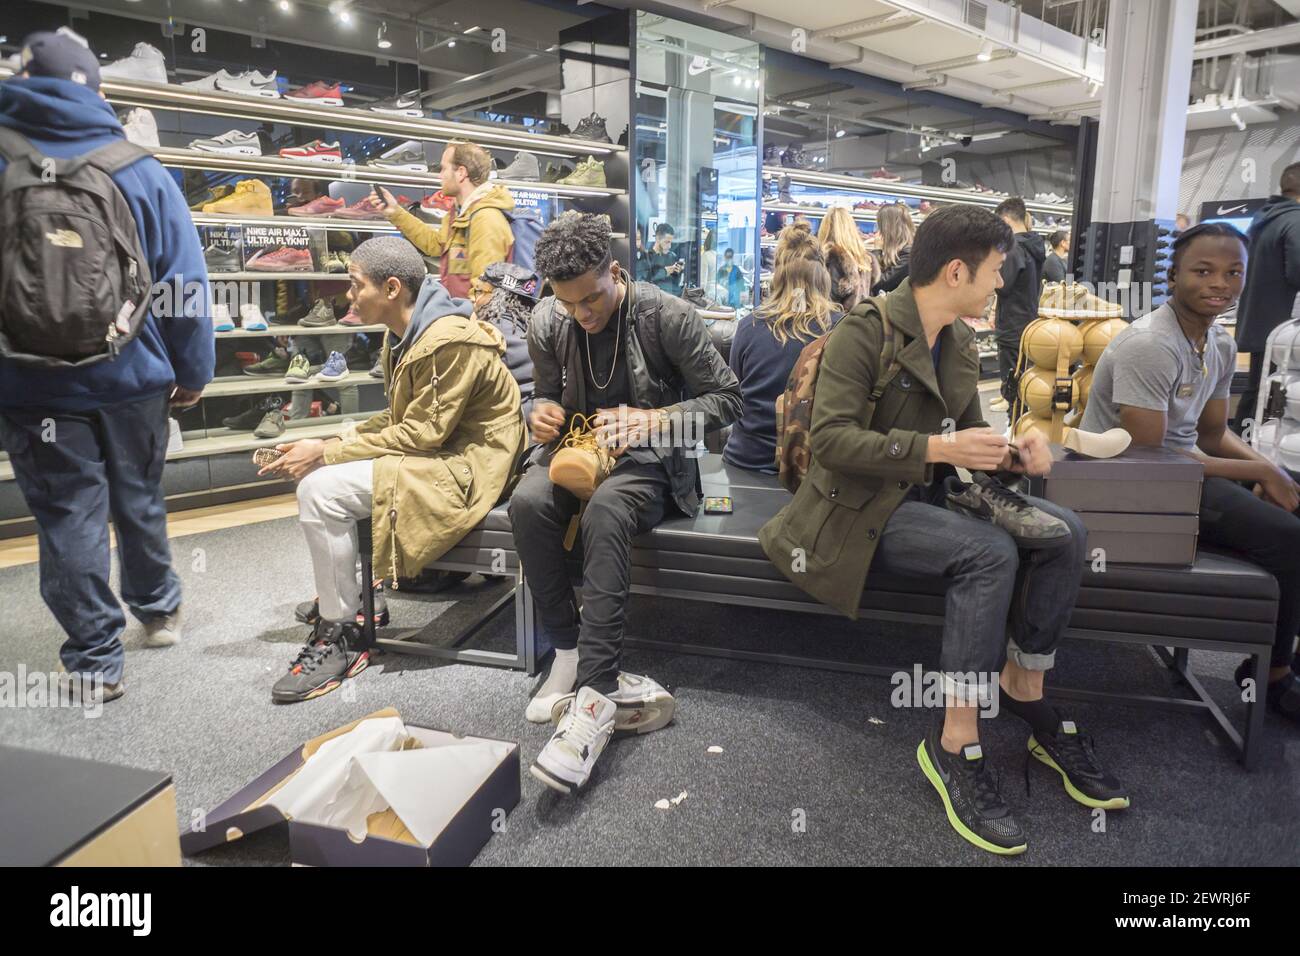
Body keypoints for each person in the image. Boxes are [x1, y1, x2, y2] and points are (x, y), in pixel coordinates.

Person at [760, 204, 1126, 856]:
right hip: (855, 510)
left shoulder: (958, 340)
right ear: (956, 270)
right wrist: (940, 451)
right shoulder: (864, 333)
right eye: (994, 272)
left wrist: (1011, 451)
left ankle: (1024, 689)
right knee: (987, 553)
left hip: (928, 498)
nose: (1000, 285)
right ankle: (956, 740)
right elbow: (834, 443)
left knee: (1066, 532)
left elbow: (960, 437)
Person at [0, 30, 214, 703]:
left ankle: (94, 659)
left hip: (30, 384)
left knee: (68, 514)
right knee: (139, 495)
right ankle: (156, 611)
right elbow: (184, 282)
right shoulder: (138, 168)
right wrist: (194, 368)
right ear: (96, 90)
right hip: (134, 378)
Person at [509, 212, 742, 793]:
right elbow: (541, 394)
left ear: (616, 271)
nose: (583, 315)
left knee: (610, 509)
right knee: (527, 502)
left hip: (656, 460)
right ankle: (566, 647)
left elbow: (729, 400)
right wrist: (534, 413)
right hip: (575, 451)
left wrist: (654, 420)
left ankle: (595, 694)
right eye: (570, 305)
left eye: (593, 298)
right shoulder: (547, 321)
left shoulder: (669, 317)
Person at [261, 236, 525, 703]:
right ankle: (354, 604)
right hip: (443, 453)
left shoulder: (446, 339)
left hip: (470, 467)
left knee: (321, 492)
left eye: (354, 285)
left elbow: (422, 433)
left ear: (392, 288)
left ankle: (342, 630)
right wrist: (337, 441)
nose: (348, 296)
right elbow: (401, 418)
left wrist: (326, 451)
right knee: (324, 484)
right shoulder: (404, 334)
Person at [1081, 222, 1300, 724]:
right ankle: (1271, 675)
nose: (1219, 283)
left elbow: (1212, 435)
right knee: (1288, 537)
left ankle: (1283, 644)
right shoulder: (1151, 345)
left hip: (1183, 472)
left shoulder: (1219, 344)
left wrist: (1267, 468)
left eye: (1233, 272)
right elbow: (1147, 456)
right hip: (1129, 485)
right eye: (1203, 270)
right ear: (1174, 273)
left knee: (1290, 501)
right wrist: (1262, 475)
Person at [724, 226, 841, 474]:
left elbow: (734, 393)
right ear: (823, 276)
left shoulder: (749, 326)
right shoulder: (841, 328)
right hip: (809, 467)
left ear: (778, 275)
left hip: (747, 459)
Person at [370, 140, 515, 299]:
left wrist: (461, 321)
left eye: (444, 168)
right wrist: (395, 212)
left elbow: (486, 293)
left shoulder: (486, 219)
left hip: (469, 320)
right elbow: (435, 244)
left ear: (461, 173)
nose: (440, 175)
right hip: (458, 315)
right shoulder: (459, 213)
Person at [1231, 163, 1300, 433]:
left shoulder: (1264, 218)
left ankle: (1239, 458)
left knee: (1258, 394)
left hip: (1263, 326)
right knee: (1273, 397)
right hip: (1287, 332)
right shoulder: (1295, 220)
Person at [990, 197, 1046, 412]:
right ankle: (1013, 404)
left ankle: (1013, 419)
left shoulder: (1014, 248)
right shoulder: (1033, 244)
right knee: (1020, 369)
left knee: (1014, 371)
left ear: (1005, 219)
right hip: (1026, 317)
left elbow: (1003, 285)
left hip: (1013, 321)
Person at [473, 260, 539, 419]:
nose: (474, 299)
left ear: (498, 297)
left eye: (479, 291)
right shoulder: (530, 323)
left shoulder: (493, 333)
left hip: (517, 423)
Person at [818, 206, 877, 313]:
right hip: (860, 321)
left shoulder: (830, 257)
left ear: (825, 229)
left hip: (836, 323)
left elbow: (831, 297)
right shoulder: (865, 259)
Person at [871, 202, 915, 295]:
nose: (878, 231)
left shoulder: (908, 253)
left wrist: (877, 250)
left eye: (880, 226)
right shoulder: (897, 251)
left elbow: (879, 284)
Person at [646, 221, 683, 294]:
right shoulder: (647, 257)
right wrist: (665, 272)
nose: (669, 246)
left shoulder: (672, 256)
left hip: (670, 299)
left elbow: (675, 283)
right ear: (657, 239)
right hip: (654, 300)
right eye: (667, 242)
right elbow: (644, 282)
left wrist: (678, 272)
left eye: (670, 242)